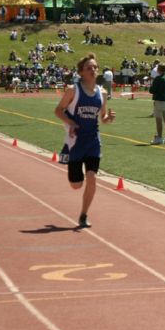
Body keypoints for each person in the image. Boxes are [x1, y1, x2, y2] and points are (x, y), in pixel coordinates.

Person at [53, 53, 115, 228]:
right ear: (81, 72)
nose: (93, 70)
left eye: (95, 67)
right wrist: (71, 122)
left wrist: (108, 118)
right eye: (89, 68)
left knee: (92, 177)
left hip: (93, 140)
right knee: (76, 185)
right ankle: (75, 177)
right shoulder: (73, 90)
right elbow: (58, 110)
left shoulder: (102, 93)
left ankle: (83, 214)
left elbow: (102, 117)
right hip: (75, 142)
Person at [149, 64, 165, 145]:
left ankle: (159, 137)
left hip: (159, 100)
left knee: (159, 120)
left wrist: (151, 84)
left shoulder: (158, 78)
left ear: (159, 69)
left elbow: (152, 90)